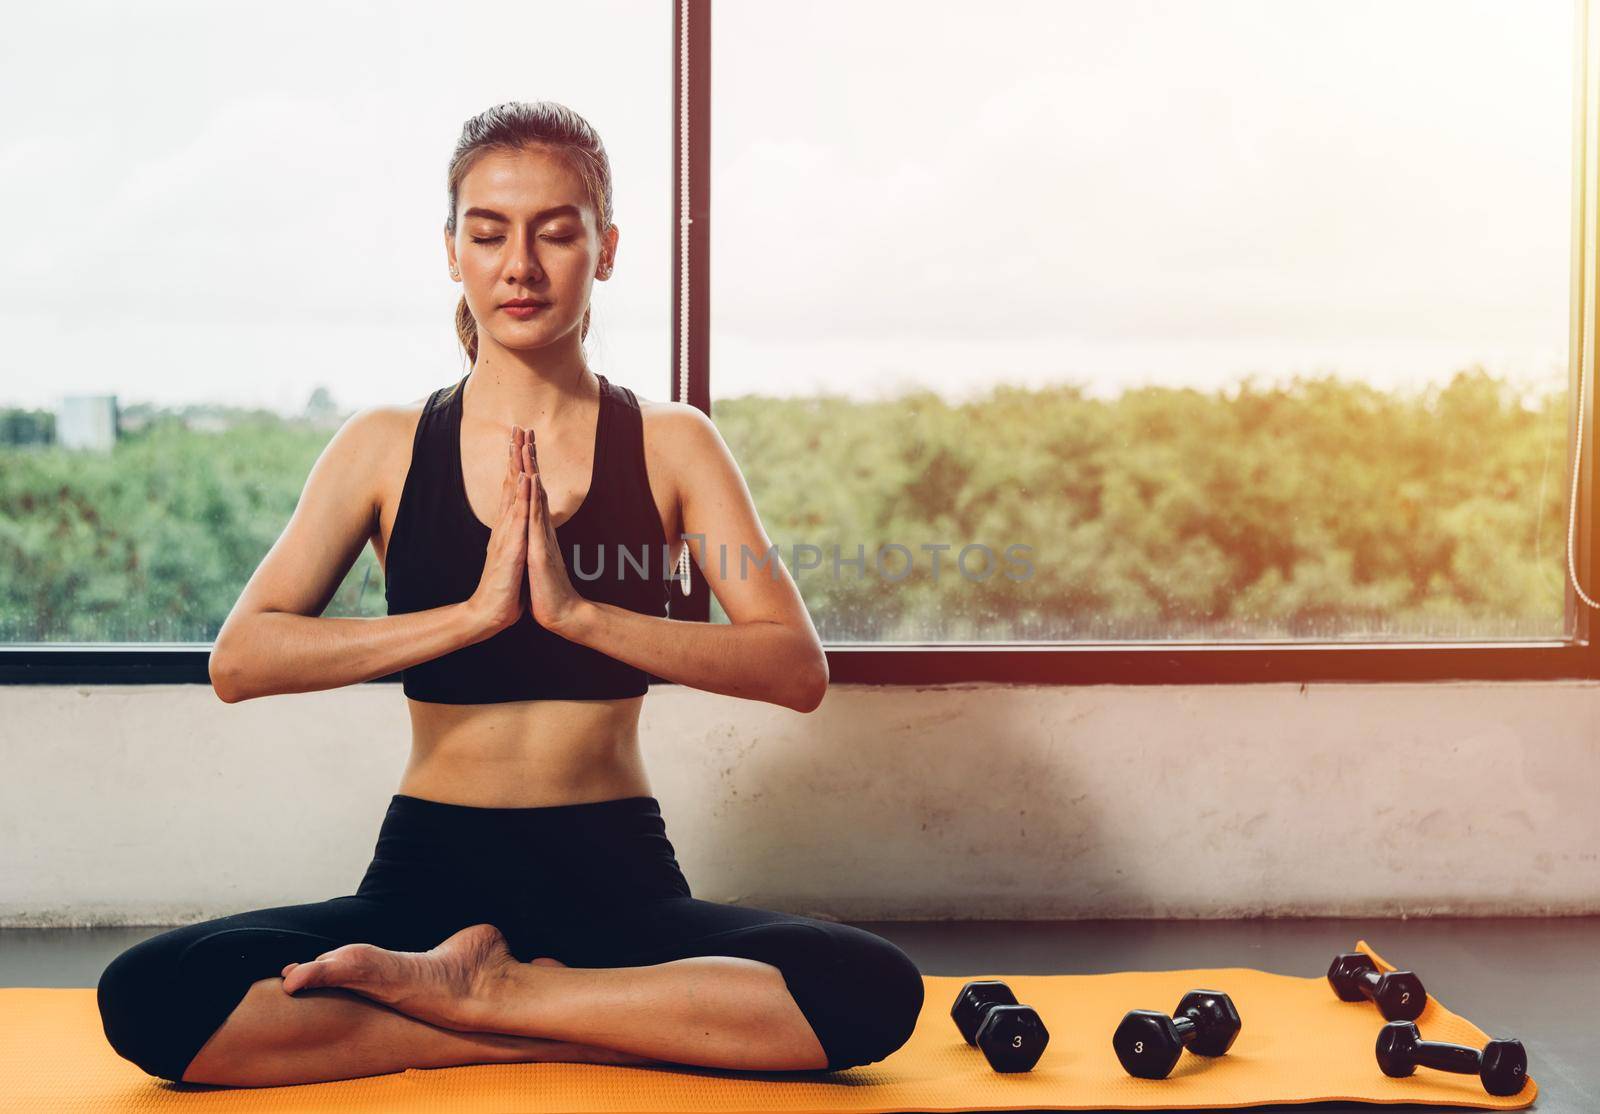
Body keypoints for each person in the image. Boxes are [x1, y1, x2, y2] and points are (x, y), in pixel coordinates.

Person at [95, 100, 924, 1088]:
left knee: (870, 991)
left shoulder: (673, 443)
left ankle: (491, 1000)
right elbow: (242, 659)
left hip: (618, 878)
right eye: (487, 233)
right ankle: (557, 1012)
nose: (518, 265)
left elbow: (792, 666)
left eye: (555, 232)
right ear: (452, 250)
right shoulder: (383, 445)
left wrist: (579, 615)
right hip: (425, 875)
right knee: (150, 995)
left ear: (605, 249)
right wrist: (469, 617)